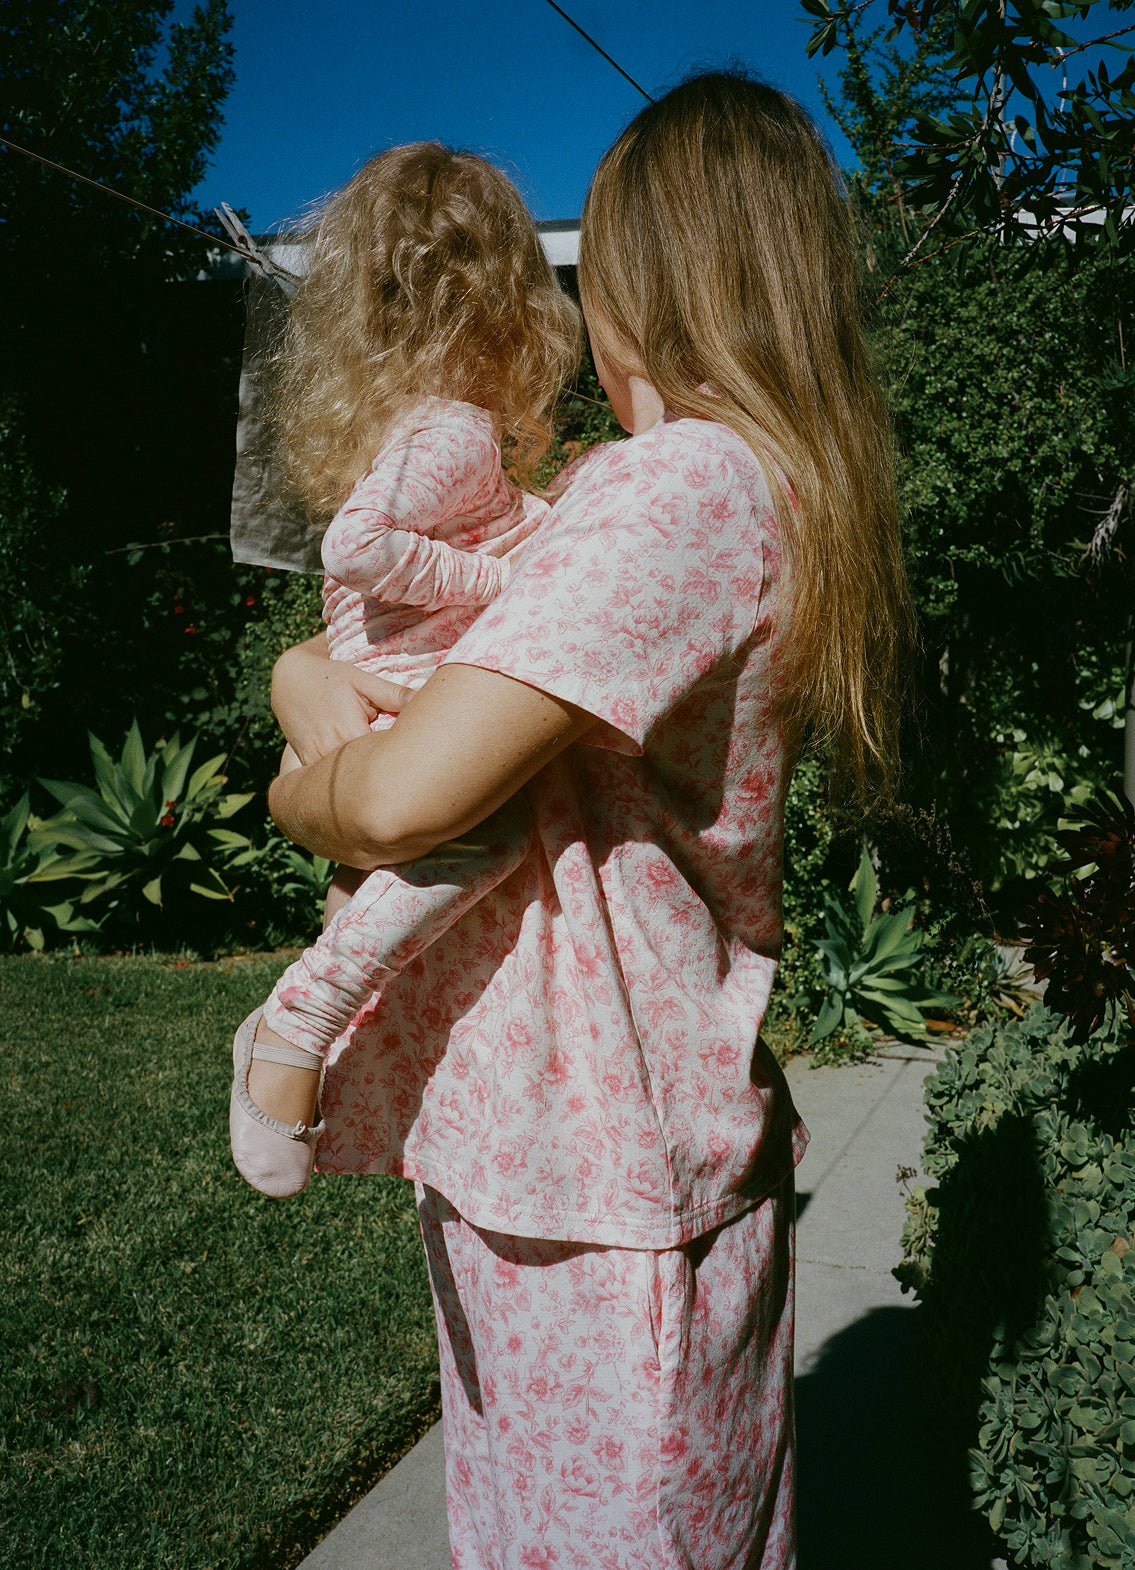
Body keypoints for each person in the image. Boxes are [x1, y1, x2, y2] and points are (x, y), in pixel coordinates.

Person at [260, 72, 914, 1569]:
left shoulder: (677, 486)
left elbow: (405, 792)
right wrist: (316, 671)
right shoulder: (753, 491)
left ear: (641, 280)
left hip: (600, 1168)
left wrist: (304, 748)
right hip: (572, 1147)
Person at [228, 142, 581, 1198]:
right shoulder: (457, 430)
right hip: (404, 692)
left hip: (378, 683)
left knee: (398, 883)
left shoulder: (420, 426)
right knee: (484, 837)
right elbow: (358, 550)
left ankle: (311, 1012)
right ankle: (301, 1021)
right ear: (512, 303)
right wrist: (496, 582)